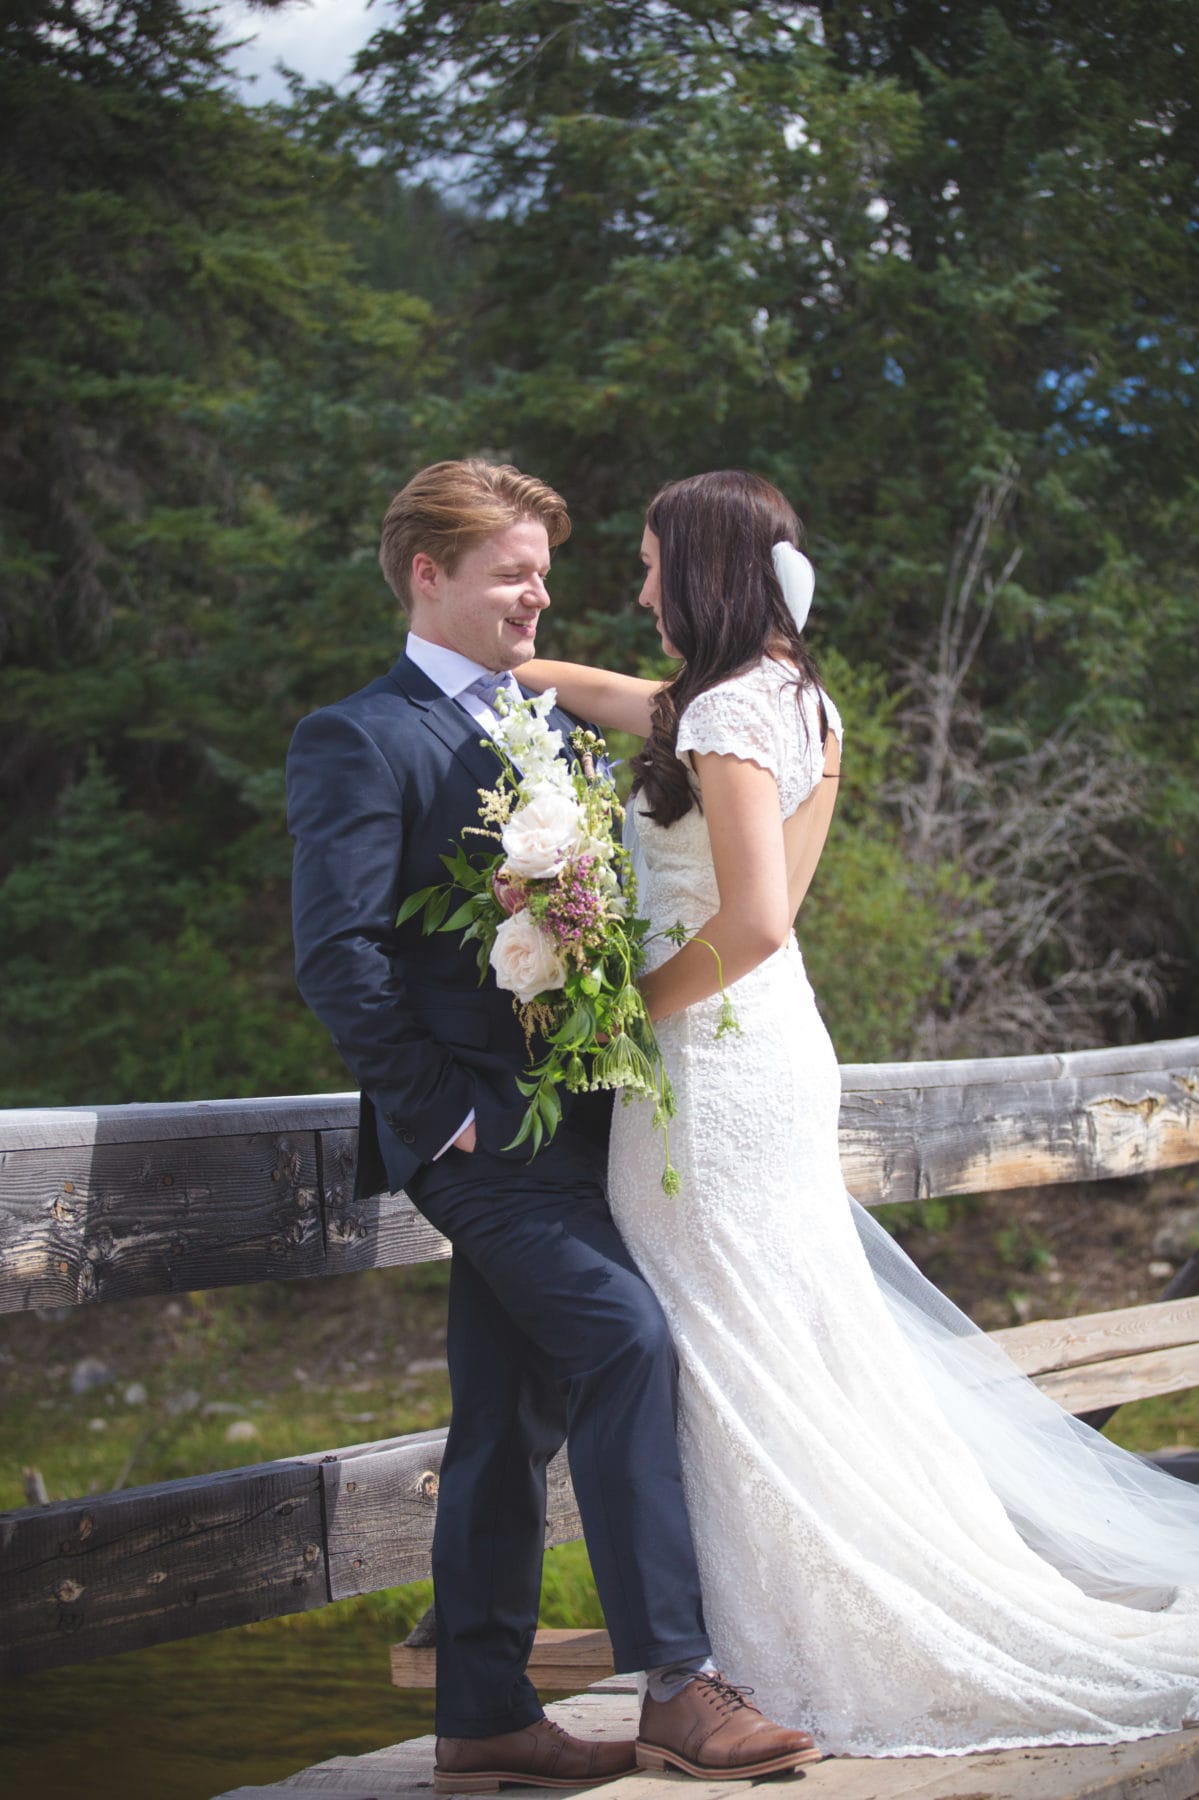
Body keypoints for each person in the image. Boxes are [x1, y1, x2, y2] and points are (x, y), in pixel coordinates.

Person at [519, 467, 1199, 1759]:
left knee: (730, 1344)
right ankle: (776, 1629)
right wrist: (516, 675)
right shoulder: (792, 698)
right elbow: (619, 700)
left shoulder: (724, 710)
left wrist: (616, 1016)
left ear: (709, 570)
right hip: (762, 1054)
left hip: (708, 1062)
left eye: (657, 563)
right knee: (787, 1334)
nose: (643, 585)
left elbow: (759, 922)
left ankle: (795, 1641)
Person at [285, 458, 821, 1792]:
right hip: (481, 1142)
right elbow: (336, 956)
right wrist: (441, 1123)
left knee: (506, 1422)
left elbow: (721, 737)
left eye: (545, 569)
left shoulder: (567, 736)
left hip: (586, 1129)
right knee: (629, 1342)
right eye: (512, 572)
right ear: (428, 575)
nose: (540, 594)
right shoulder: (359, 736)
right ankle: (680, 1687)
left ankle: (479, 1712)